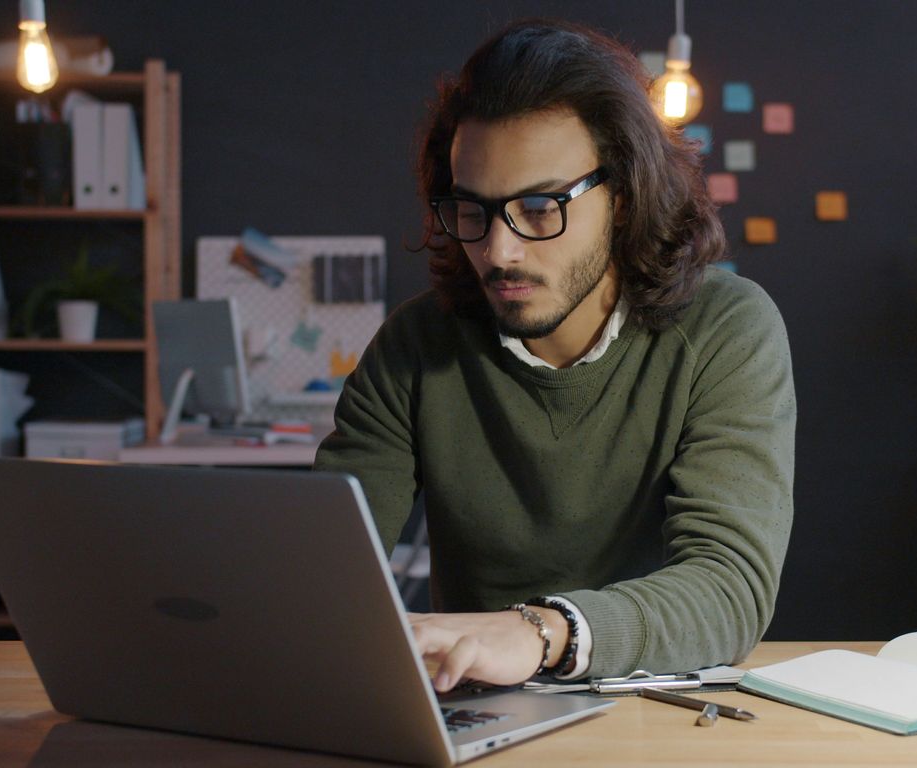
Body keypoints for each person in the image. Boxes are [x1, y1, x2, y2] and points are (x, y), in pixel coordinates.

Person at [313, 18, 795, 692]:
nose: (499, 251)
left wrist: (541, 632)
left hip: (658, 716)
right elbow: (323, 570)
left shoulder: (727, 331)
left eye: (540, 207)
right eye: (472, 211)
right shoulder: (415, 347)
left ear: (623, 200)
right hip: (475, 714)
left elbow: (728, 589)